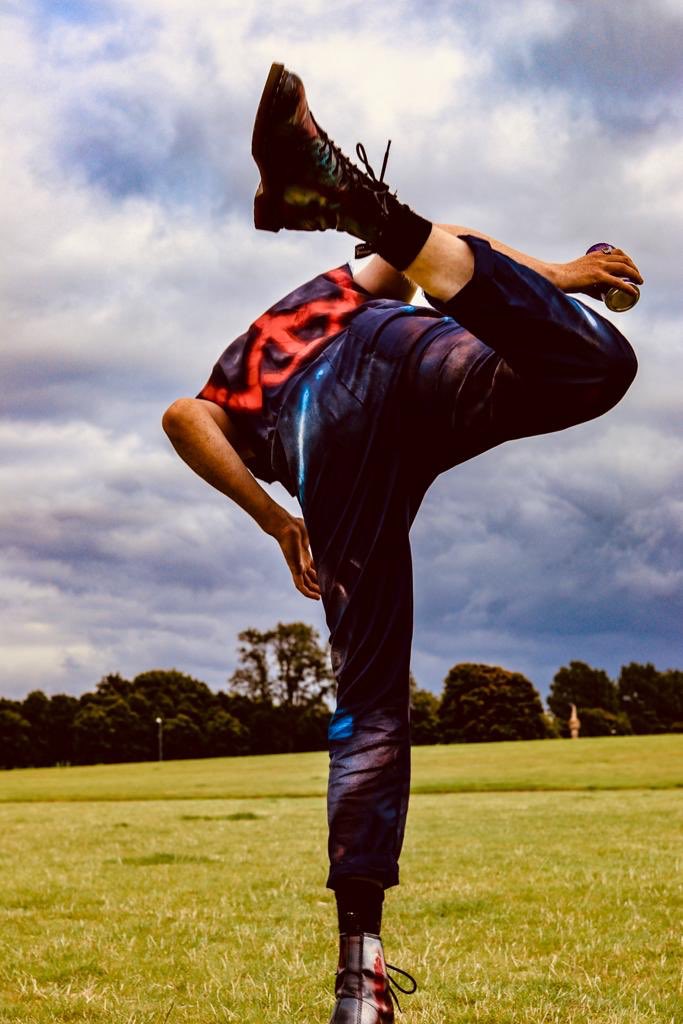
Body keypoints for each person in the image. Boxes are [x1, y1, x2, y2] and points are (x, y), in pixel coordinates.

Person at [162, 63, 640, 1023]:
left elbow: (185, 416)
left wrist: (279, 519)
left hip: (328, 465)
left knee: (368, 702)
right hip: (392, 363)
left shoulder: (247, 355)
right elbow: (445, 247)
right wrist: (563, 273)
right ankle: (355, 196)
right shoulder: (328, 293)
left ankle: (360, 978)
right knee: (593, 365)